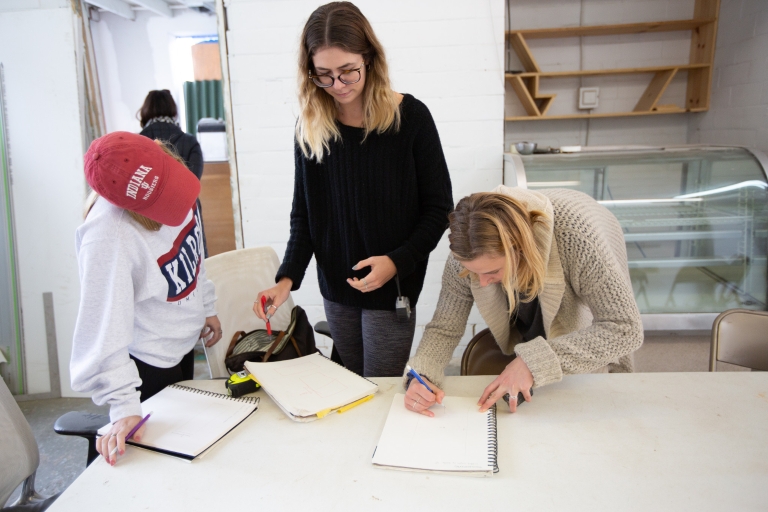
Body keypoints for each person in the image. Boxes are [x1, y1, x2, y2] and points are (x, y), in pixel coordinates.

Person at [254, 2, 453, 378]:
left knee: (380, 390)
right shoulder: (312, 126)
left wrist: (397, 261)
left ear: (370, 59)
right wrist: (285, 280)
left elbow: (440, 207)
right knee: (352, 387)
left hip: (392, 286)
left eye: (348, 72)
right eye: (324, 75)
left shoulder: (411, 118)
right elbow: (305, 215)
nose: (337, 86)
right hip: (337, 287)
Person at [403, 186, 643, 416]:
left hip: (591, 237)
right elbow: (445, 327)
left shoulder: (578, 238)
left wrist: (533, 362)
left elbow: (624, 328)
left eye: (492, 272)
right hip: (536, 271)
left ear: (519, 249)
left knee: (582, 389)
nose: (482, 282)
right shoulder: (466, 255)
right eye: (474, 273)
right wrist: (421, 375)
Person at [70, 131, 223, 465]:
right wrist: (123, 405)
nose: (180, 205)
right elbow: (102, 331)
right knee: (164, 465)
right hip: (147, 366)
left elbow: (192, 250)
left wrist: (205, 307)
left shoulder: (171, 173)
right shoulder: (108, 236)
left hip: (181, 347)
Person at [138, 89, 208, 256]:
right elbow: (193, 183)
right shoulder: (190, 142)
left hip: (148, 222)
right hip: (186, 216)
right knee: (196, 271)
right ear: (173, 110)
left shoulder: (136, 146)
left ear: (145, 111)